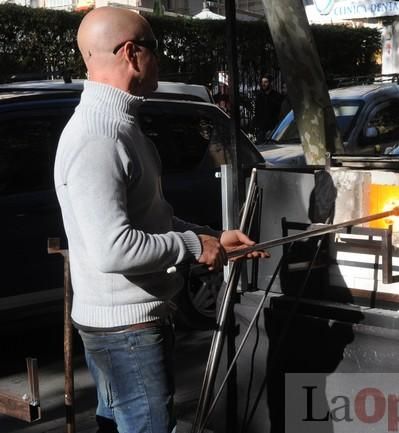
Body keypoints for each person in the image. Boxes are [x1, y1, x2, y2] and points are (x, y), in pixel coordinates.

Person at [53, 7, 267, 433]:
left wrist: (209, 237)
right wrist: (193, 247)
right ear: (131, 53)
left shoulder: (117, 124)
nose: (160, 59)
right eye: (156, 48)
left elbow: (148, 218)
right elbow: (114, 249)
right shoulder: (99, 135)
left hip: (121, 326)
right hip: (126, 330)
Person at [253, 73, 283, 143]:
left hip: (273, 129)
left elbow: (279, 113)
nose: (263, 84)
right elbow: (257, 112)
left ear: (270, 83)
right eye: (262, 82)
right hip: (261, 130)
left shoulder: (277, 96)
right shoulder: (259, 96)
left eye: (266, 82)